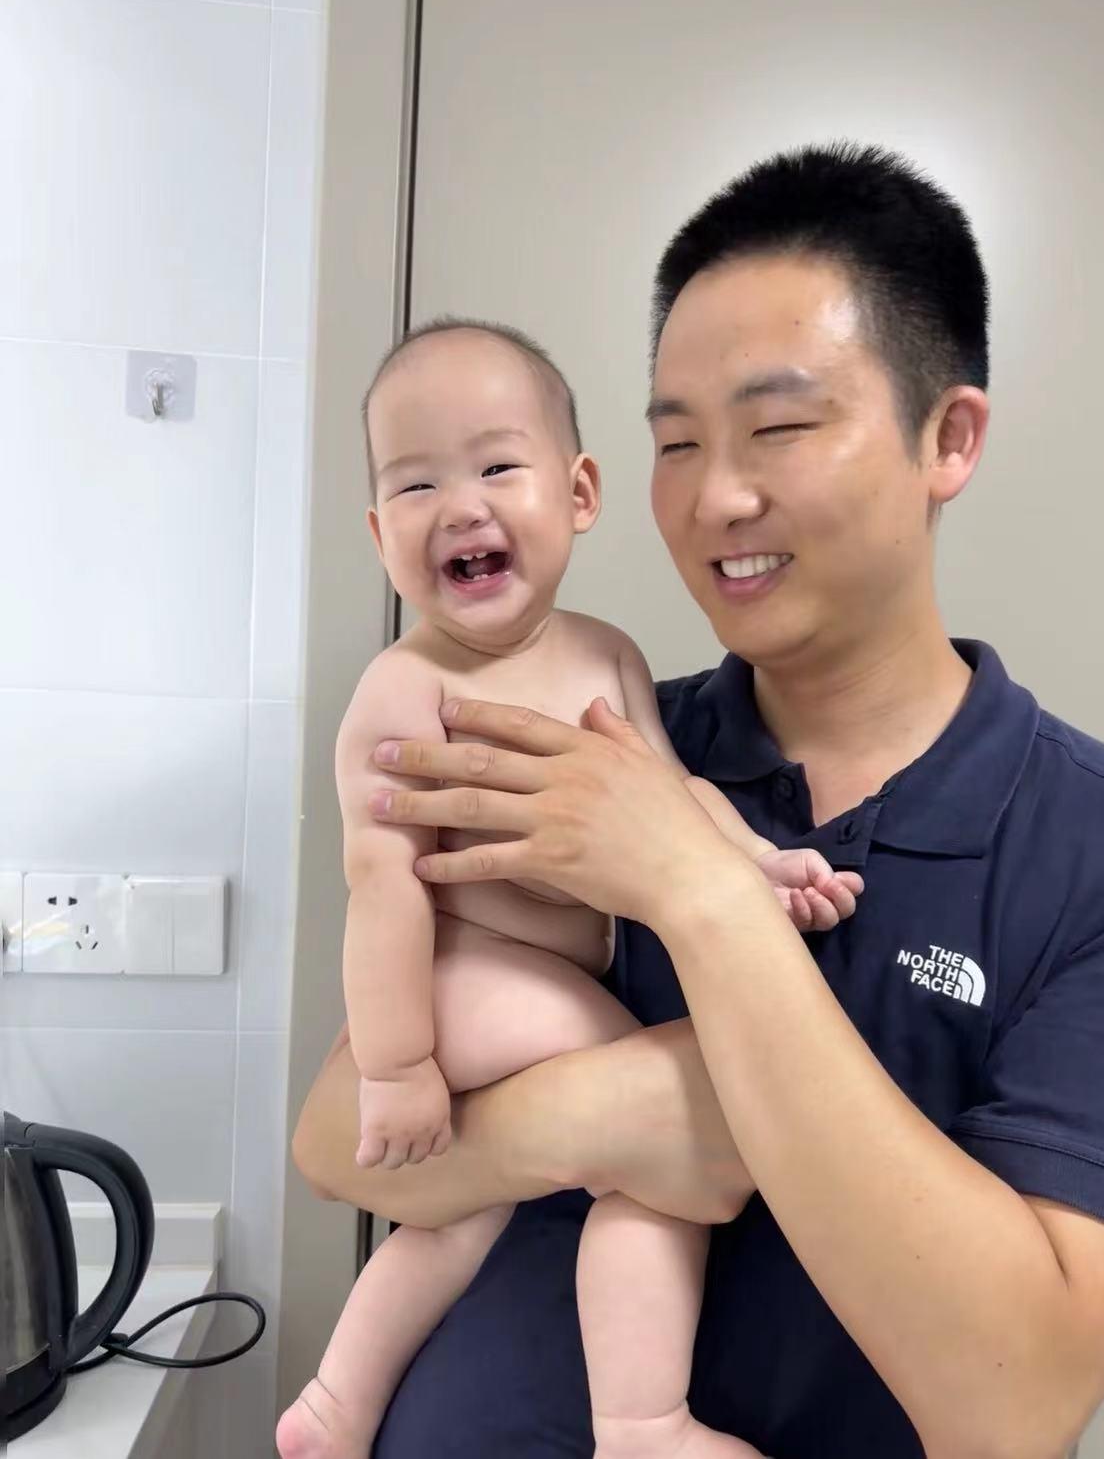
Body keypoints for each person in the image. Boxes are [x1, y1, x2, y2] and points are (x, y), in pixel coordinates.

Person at [291, 143, 1104, 1459]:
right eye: (676, 443)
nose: (716, 496)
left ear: (948, 439)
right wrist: (616, 1112)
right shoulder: (590, 736)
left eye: (780, 428)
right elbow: (338, 1139)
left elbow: (1012, 1407)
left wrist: (694, 889)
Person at [276, 318, 862, 1459]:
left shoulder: (606, 656)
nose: (460, 507)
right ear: (379, 532)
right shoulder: (404, 692)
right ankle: (640, 1422)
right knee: (665, 1145)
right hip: (467, 977)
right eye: (415, 484)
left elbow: (671, 795)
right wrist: (395, 1066)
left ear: (579, 493)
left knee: (461, 1215)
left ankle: (334, 1408)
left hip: (532, 982)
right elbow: (381, 888)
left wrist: (755, 861)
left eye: (497, 466)